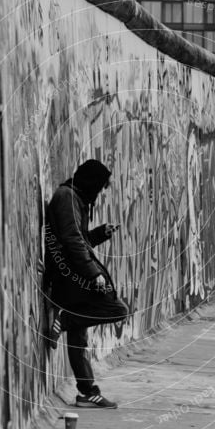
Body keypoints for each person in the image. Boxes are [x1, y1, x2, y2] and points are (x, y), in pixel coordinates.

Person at [44, 159, 130, 409]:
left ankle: (87, 392)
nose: (102, 192)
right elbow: (71, 241)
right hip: (70, 278)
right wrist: (93, 274)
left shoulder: (74, 198)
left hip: (71, 277)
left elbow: (79, 240)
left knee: (78, 339)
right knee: (118, 310)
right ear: (91, 181)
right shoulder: (67, 198)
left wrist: (101, 233)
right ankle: (66, 317)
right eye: (102, 186)